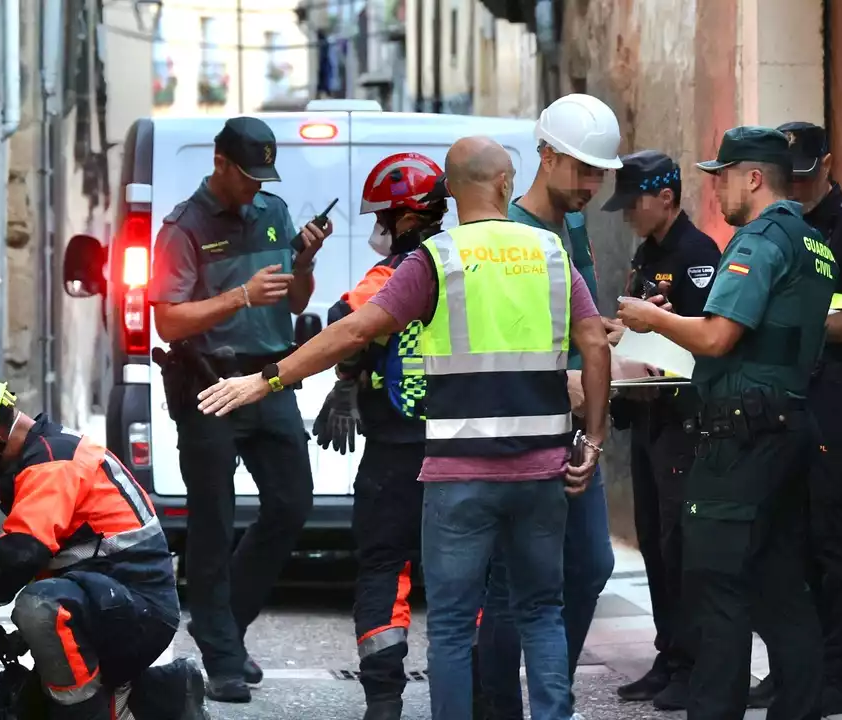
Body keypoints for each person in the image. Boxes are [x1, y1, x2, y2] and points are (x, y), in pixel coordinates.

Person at [196, 135, 613, 720]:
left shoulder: (438, 261)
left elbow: (351, 331)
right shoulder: (548, 251)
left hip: (458, 473)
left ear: (452, 190)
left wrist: (265, 380)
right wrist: (592, 440)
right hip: (540, 471)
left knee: (446, 623)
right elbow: (594, 343)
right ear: (503, 185)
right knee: (540, 612)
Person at [615, 126, 835, 720]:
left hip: (741, 439)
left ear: (755, 177)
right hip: (787, 427)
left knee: (715, 584)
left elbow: (717, 337)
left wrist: (651, 321)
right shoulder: (811, 241)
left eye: (724, 175)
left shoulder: (758, 240)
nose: (714, 189)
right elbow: (760, 341)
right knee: (782, 583)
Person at [148, 115, 333, 702]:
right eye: (247, 175)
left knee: (291, 503)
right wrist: (238, 296)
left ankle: (222, 622)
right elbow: (168, 318)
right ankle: (224, 657)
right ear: (220, 164)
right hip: (209, 382)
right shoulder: (183, 227)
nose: (257, 185)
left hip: (269, 377)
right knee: (212, 519)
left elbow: (298, 298)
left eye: (264, 176)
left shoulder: (273, 212)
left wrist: (304, 260)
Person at [0, 373, 206, 720]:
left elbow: (20, 555)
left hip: (139, 611)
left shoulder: (50, 465)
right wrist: (24, 638)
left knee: (39, 608)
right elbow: (66, 562)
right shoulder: (48, 451)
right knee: (30, 706)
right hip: (122, 602)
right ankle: (173, 694)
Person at [477, 92, 621, 720]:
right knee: (515, 583)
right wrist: (562, 374)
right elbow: (502, 336)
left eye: (599, 172)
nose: (591, 184)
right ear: (544, 156)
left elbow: (577, 321)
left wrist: (609, 343)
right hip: (523, 427)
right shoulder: (511, 234)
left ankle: (548, 695)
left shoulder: (576, 226)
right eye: (582, 170)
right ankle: (500, 706)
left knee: (590, 565)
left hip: (571, 429)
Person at [744, 121, 842, 715]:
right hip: (782, 400)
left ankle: (840, 675)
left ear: (826, 165)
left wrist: (794, 324)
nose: (796, 188)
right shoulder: (777, 226)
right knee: (784, 542)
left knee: (834, 542)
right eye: (789, 179)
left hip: (828, 400)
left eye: (805, 177)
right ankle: (793, 669)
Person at [320, 152, 449, 720]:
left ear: (404, 217)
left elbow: (341, 320)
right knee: (463, 572)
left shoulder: (391, 275)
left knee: (383, 569)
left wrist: (344, 378)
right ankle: (467, 691)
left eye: (382, 217)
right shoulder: (464, 264)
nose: (376, 228)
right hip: (462, 451)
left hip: (394, 455)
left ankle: (383, 702)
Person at [601, 149, 721, 710]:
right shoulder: (646, 253)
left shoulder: (698, 254)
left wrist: (656, 326)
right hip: (649, 418)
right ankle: (669, 652)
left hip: (683, 422)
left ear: (666, 198)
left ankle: (694, 664)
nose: (627, 214)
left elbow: (706, 338)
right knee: (651, 540)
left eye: (634, 203)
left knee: (680, 545)